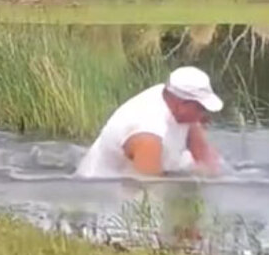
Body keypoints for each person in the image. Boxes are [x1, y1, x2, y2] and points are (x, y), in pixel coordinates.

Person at [75, 66, 224, 178]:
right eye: (200, 108)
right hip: (102, 195)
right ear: (181, 104)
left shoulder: (175, 101)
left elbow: (207, 160)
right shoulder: (147, 134)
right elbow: (150, 194)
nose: (203, 114)